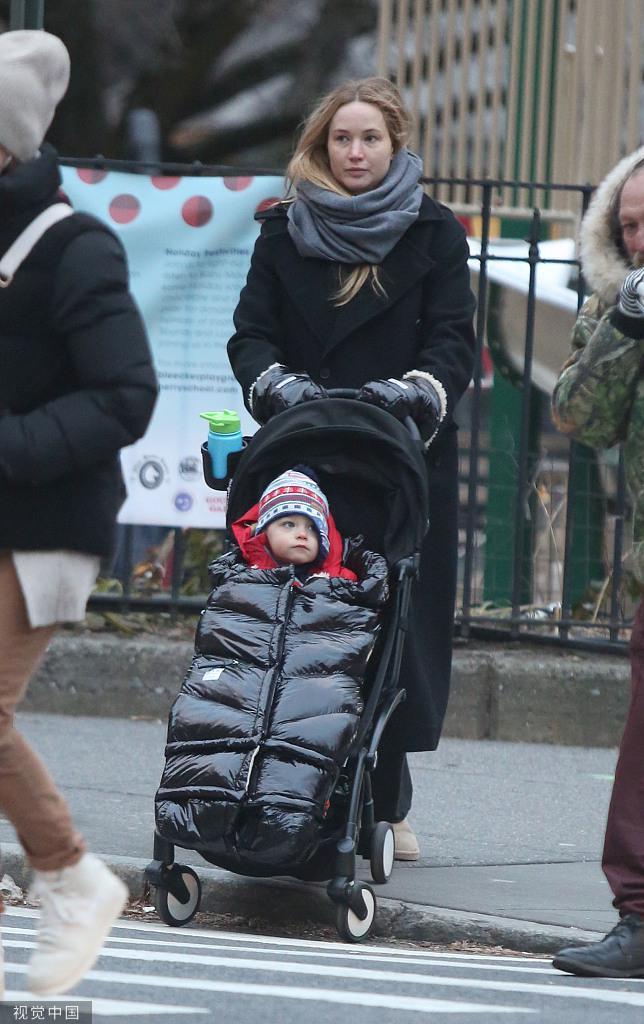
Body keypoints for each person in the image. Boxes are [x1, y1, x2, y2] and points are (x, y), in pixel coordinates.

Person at [227, 77, 476, 860]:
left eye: (369, 138)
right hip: (304, 457)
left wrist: (411, 395)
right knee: (297, 617)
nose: (355, 152)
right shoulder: (283, 230)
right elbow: (250, 335)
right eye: (342, 139)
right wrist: (282, 389)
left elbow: (453, 342)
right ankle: (272, 782)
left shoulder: (434, 233)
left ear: (395, 144)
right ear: (321, 146)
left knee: (389, 618)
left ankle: (385, 794)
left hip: (401, 457)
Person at [0, 30, 158, 995]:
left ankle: (70, 875)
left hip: (39, 527)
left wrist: (9, 444)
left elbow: (124, 396)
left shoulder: (73, 246)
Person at [155, 465, 389, 867]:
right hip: (238, 686)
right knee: (212, 723)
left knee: (303, 738)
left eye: (312, 528)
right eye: (288, 523)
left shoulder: (344, 589)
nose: (302, 533)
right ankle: (204, 807)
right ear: (263, 532)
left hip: (308, 694)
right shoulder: (241, 583)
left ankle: (283, 816)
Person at [551, 146, 644, 977]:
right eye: (628, 226)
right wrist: (625, 325)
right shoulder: (618, 306)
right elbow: (579, 415)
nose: (641, 239)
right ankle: (639, 920)